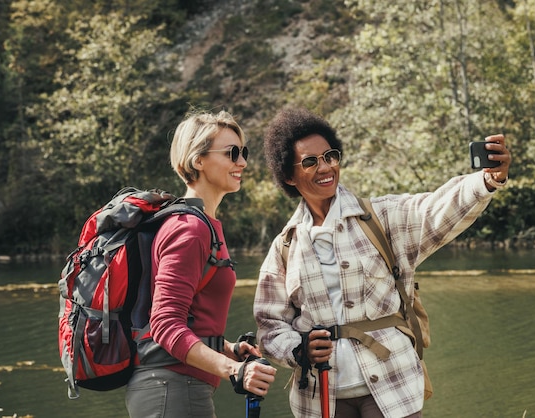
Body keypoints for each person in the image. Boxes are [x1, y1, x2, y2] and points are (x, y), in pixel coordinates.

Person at [253, 107, 511, 418]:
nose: (325, 167)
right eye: (310, 161)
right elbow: (269, 327)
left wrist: (486, 180)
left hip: (393, 388)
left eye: (330, 156)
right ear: (288, 176)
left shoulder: (381, 217)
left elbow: (435, 209)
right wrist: (299, 348)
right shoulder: (285, 246)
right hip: (321, 400)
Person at [126, 110, 277, 417]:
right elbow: (165, 325)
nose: (242, 163)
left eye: (243, 152)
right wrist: (234, 370)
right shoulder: (189, 228)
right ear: (198, 160)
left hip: (178, 387)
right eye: (232, 153)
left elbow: (190, 319)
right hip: (171, 388)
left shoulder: (203, 223)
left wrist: (228, 348)